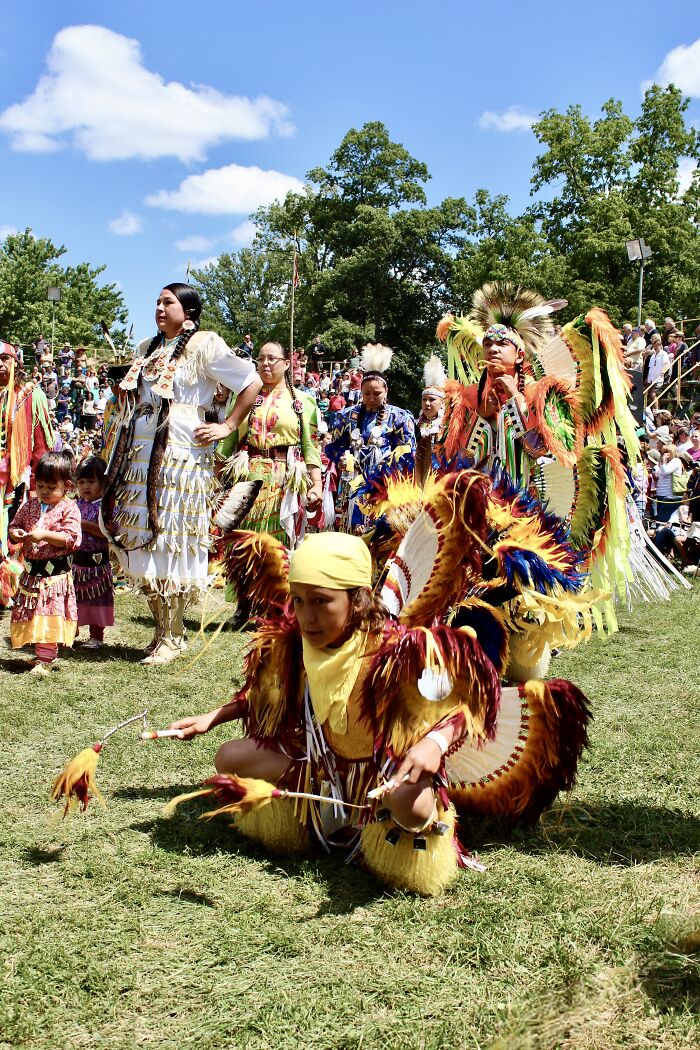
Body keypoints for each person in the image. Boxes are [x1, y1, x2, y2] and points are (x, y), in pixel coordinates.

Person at [168, 517, 591, 896]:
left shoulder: (401, 650)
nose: (307, 616)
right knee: (230, 756)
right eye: (299, 601)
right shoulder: (296, 644)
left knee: (411, 803)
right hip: (324, 771)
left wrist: (435, 746)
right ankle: (316, 825)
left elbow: (467, 706)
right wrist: (213, 717)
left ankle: (395, 841)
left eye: (321, 601)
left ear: (356, 599)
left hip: (387, 775)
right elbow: (265, 694)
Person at [100, 283, 261, 665]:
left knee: (172, 538)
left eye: (167, 302)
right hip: (141, 452)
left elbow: (250, 381)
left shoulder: (204, 343)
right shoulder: (147, 349)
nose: (159, 307)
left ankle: (172, 637)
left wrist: (228, 425)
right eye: (156, 301)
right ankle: (161, 634)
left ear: (187, 311)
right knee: (144, 535)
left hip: (182, 454)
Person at [325, 344, 416, 530]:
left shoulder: (399, 416)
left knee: (380, 533)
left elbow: (408, 452)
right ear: (360, 392)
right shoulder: (347, 416)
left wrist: (388, 468)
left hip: (385, 484)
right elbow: (334, 445)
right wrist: (341, 458)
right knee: (352, 530)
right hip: (353, 483)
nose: (372, 398)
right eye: (367, 393)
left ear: (386, 392)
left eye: (377, 394)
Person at [8, 451, 81, 674]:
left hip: (54, 576)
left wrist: (44, 535)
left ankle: (46, 658)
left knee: (49, 613)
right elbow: (14, 526)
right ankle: (41, 653)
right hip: (32, 574)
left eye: (51, 487)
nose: (44, 492)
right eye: (40, 486)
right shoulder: (30, 505)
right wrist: (15, 533)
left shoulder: (68, 508)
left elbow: (71, 539)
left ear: (66, 486)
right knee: (33, 613)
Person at [0, 342, 55, 605]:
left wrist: (38, 484)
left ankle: (8, 588)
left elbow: (41, 446)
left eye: (4, 359)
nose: (0, 364)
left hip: (14, 479)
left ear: (15, 363)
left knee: (12, 531)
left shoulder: (30, 396)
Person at [73, 456, 114, 649]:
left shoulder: (105, 506)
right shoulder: (76, 505)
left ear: (103, 482)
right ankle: (70, 631)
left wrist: (83, 525)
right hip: (77, 563)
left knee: (96, 600)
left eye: (91, 481)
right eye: (81, 482)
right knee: (73, 599)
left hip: (98, 565)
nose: (85, 487)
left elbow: (107, 532)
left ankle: (96, 636)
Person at [415, 354, 446, 487]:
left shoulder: (448, 425)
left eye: (432, 400)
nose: (427, 403)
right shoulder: (415, 424)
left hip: (440, 476)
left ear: (442, 402)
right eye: (424, 399)